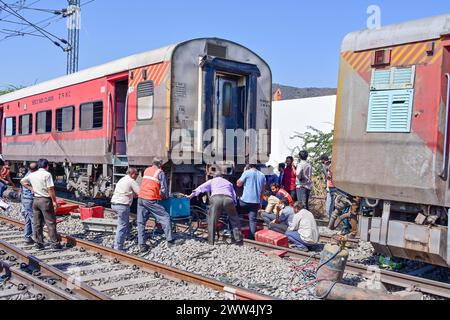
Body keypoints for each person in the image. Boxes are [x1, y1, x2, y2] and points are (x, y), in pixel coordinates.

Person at [137, 158, 183, 253]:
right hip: (150, 199)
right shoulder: (160, 172)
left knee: (141, 222)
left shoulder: (147, 170)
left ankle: (141, 244)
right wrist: (166, 197)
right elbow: (164, 189)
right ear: (160, 165)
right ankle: (170, 241)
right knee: (165, 217)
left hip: (141, 198)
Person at [188, 170, 243, 245]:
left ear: (214, 176)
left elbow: (200, 188)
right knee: (234, 219)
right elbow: (234, 195)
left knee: (212, 220)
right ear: (222, 176)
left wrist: (190, 196)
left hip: (216, 199)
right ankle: (238, 239)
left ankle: (211, 242)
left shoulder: (212, 181)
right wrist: (234, 205)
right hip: (228, 199)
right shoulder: (228, 182)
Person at [20, 159, 62, 250]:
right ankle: (54, 244)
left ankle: (39, 244)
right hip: (45, 200)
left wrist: (31, 188)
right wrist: (54, 201)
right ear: (46, 166)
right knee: (50, 222)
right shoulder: (47, 174)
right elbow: (50, 189)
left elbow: (22, 181)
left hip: (35, 200)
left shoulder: (32, 174)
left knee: (37, 223)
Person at [112, 168, 140, 252]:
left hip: (114, 203)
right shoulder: (131, 181)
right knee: (122, 225)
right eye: (137, 175)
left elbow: (129, 192)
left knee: (125, 221)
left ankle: (127, 236)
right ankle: (118, 247)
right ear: (132, 174)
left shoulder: (122, 179)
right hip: (122, 205)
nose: (137, 177)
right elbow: (140, 192)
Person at [237, 164, 266, 240]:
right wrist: (260, 202)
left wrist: (244, 172)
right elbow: (263, 191)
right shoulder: (262, 175)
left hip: (245, 201)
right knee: (252, 220)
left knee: (234, 211)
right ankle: (251, 237)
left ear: (249, 166)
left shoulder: (246, 172)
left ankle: (235, 232)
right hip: (256, 202)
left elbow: (238, 184)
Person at [20, 162, 38, 245]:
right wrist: (32, 189)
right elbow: (22, 182)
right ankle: (36, 238)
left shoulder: (28, 174)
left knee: (28, 218)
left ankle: (27, 238)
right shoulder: (31, 176)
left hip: (25, 199)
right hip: (29, 199)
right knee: (33, 219)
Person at [320, 155, 337, 219]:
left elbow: (327, 176)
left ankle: (329, 217)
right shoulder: (332, 164)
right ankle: (330, 217)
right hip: (332, 186)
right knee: (331, 203)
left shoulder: (326, 166)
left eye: (321, 160)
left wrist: (324, 167)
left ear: (323, 160)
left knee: (330, 203)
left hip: (331, 186)